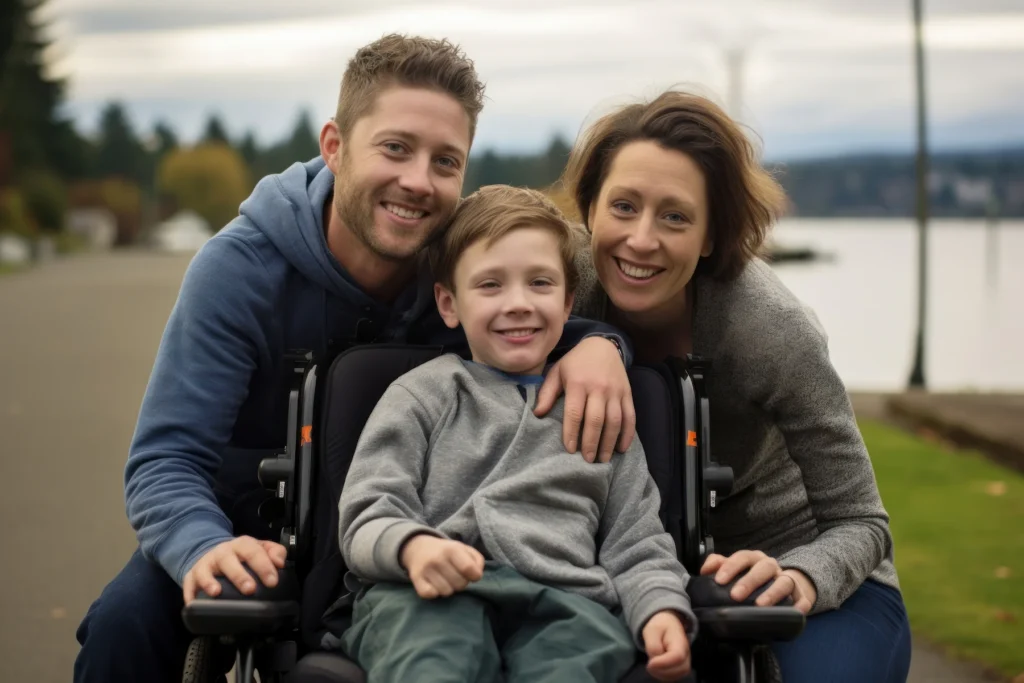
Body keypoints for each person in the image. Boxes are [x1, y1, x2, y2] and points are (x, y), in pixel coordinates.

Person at [74, 35, 635, 683]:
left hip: (408, 531)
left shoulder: (457, 268)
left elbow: (537, 320)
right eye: (395, 148)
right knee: (124, 624)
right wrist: (204, 546)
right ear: (335, 147)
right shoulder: (239, 270)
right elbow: (166, 459)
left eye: (445, 161)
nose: (417, 181)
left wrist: (603, 346)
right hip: (250, 526)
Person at [562, 90, 912, 683]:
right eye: (623, 206)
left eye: (675, 216)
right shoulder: (554, 282)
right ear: (590, 209)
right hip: (639, 571)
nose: (641, 239)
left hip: (800, 573)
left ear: (710, 235)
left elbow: (861, 521)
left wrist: (801, 577)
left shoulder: (770, 330)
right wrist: (593, 338)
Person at [332, 185, 695, 683]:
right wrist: (413, 547)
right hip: (431, 593)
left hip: (564, 601)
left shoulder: (600, 410)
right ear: (449, 303)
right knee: (433, 658)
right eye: (490, 285)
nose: (519, 303)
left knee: (578, 658)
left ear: (568, 303)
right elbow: (367, 513)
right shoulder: (422, 395)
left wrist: (660, 610)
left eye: (540, 283)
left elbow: (636, 542)